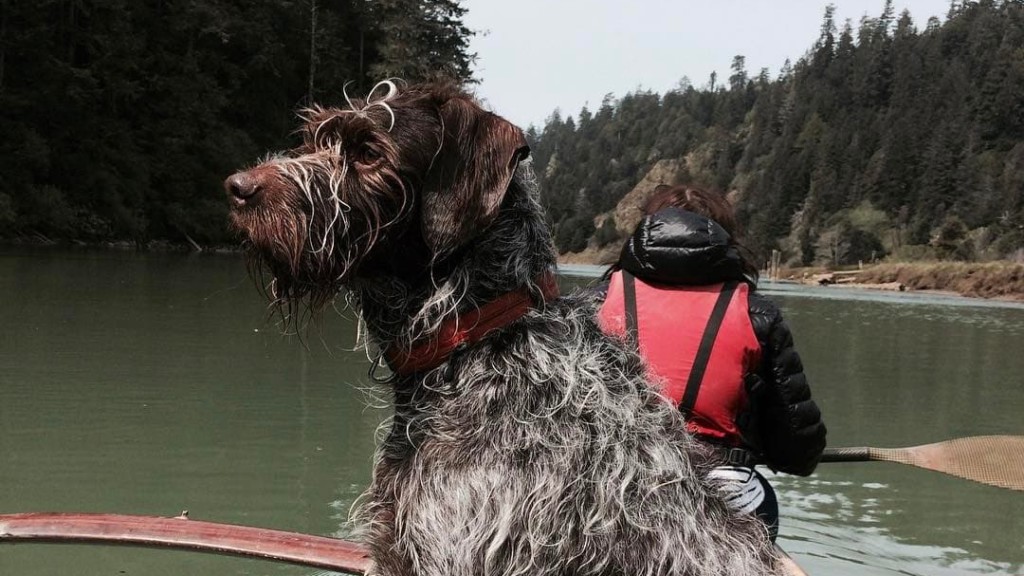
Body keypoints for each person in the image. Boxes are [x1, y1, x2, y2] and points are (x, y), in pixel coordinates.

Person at [596, 184, 826, 541]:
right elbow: (798, 451)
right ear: (723, 238)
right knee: (755, 495)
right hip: (721, 491)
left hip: (607, 486)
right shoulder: (757, 313)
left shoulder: (591, 303)